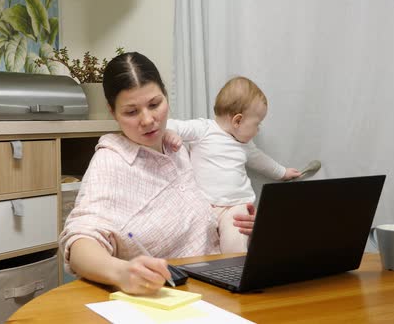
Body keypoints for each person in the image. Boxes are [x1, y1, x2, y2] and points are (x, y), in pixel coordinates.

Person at [59, 52, 256, 295]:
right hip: (167, 298)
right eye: (131, 112)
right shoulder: (111, 161)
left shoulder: (178, 148)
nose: (148, 120)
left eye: (155, 104)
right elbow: (80, 244)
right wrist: (121, 272)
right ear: (112, 112)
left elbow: (203, 211)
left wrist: (235, 222)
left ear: (166, 96)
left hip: (219, 285)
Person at [164, 76, 301, 253]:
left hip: (236, 206)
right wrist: (170, 133)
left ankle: (234, 269)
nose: (258, 130)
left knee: (235, 244)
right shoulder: (204, 129)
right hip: (205, 206)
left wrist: (282, 172)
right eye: (257, 124)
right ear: (237, 121)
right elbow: (171, 124)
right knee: (197, 243)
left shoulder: (245, 145)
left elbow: (261, 161)